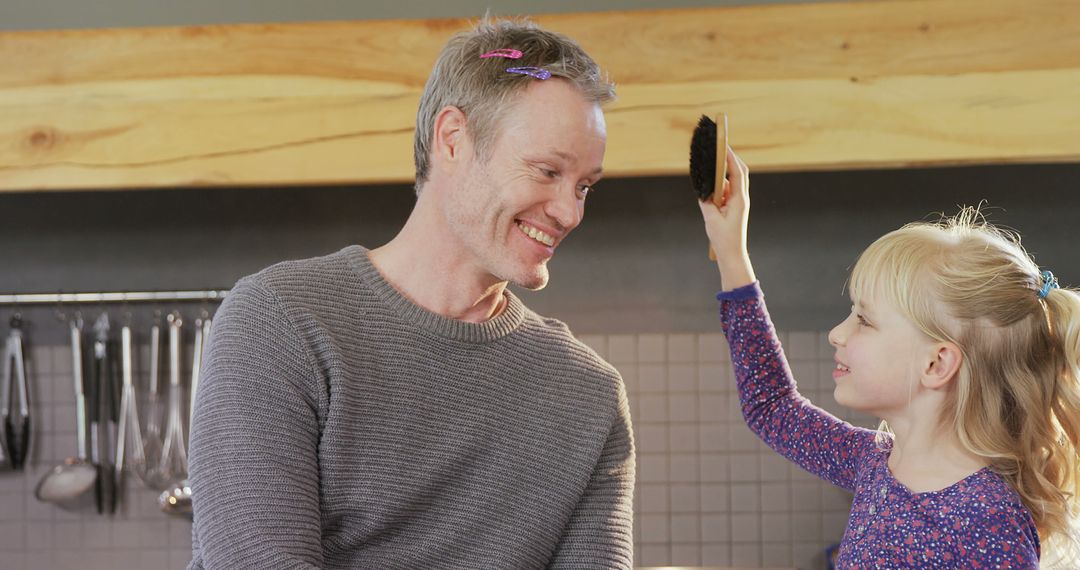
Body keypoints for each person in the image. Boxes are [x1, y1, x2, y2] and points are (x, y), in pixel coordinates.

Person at [187, 17, 634, 570]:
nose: (570, 212)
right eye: (547, 171)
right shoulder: (280, 324)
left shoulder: (587, 396)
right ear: (453, 140)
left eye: (584, 186)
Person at [698, 148, 1080, 568]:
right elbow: (771, 407)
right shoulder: (875, 465)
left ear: (936, 364)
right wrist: (732, 253)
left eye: (864, 320)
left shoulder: (987, 521)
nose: (836, 333)